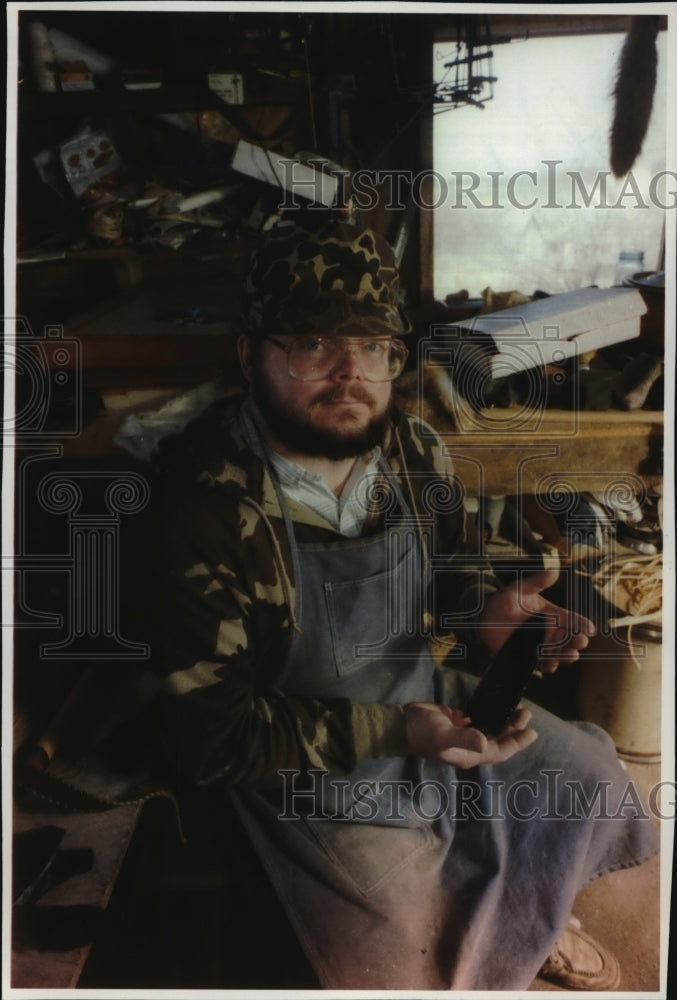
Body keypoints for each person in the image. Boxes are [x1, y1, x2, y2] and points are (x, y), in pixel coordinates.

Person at [148, 218, 659, 990]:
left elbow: (451, 585)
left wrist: (490, 618)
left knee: (585, 770)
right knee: (394, 948)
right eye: (312, 343)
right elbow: (209, 738)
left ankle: (536, 916)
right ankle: (481, 928)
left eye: (374, 349)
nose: (348, 373)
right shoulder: (202, 511)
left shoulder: (410, 451)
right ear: (250, 356)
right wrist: (397, 732)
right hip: (296, 755)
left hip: (418, 702)